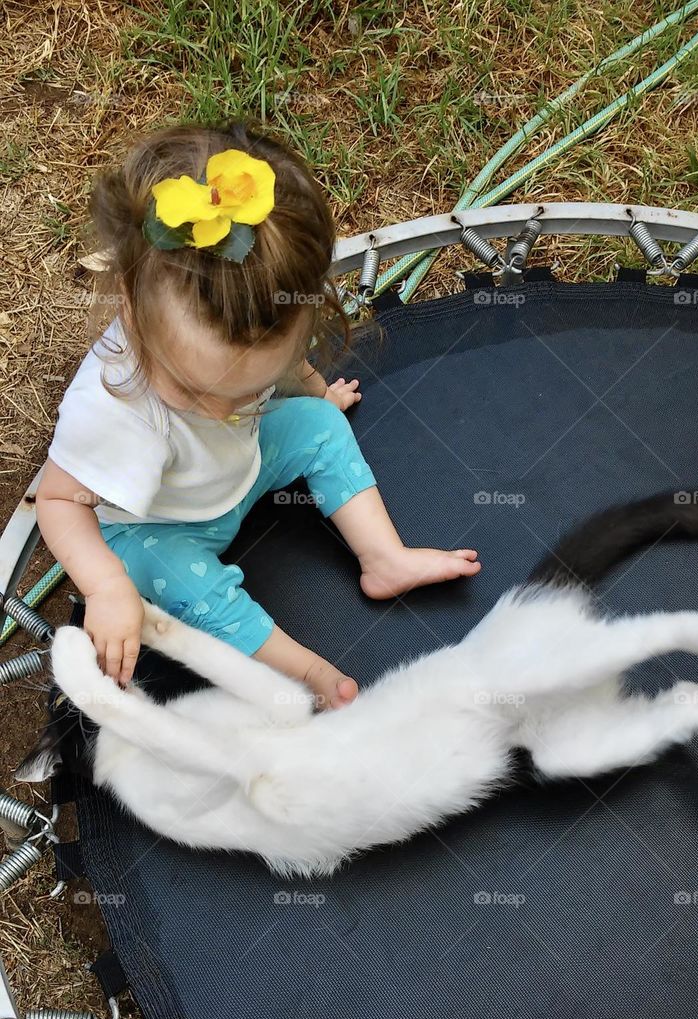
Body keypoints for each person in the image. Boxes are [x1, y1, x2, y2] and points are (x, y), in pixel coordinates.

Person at [37, 121, 480, 710]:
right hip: (154, 527)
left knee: (321, 424)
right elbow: (58, 500)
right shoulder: (115, 407)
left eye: (253, 386)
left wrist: (312, 396)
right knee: (190, 585)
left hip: (234, 479)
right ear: (133, 312)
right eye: (199, 393)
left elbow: (291, 375)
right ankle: (300, 668)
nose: (232, 407)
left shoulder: (246, 342)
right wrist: (106, 584)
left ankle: (384, 558)